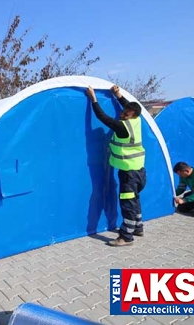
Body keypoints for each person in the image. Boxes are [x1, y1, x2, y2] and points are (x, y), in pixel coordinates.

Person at [85, 85, 147, 247]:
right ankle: (138, 227)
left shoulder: (122, 127)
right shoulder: (137, 120)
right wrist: (118, 95)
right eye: (122, 112)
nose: (121, 114)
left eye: (125, 114)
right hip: (139, 171)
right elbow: (128, 105)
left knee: (127, 204)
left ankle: (126, 236)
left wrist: (93, 98)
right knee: (135, 200)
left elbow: (102, 117)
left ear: (132, 115)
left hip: (129, 173)